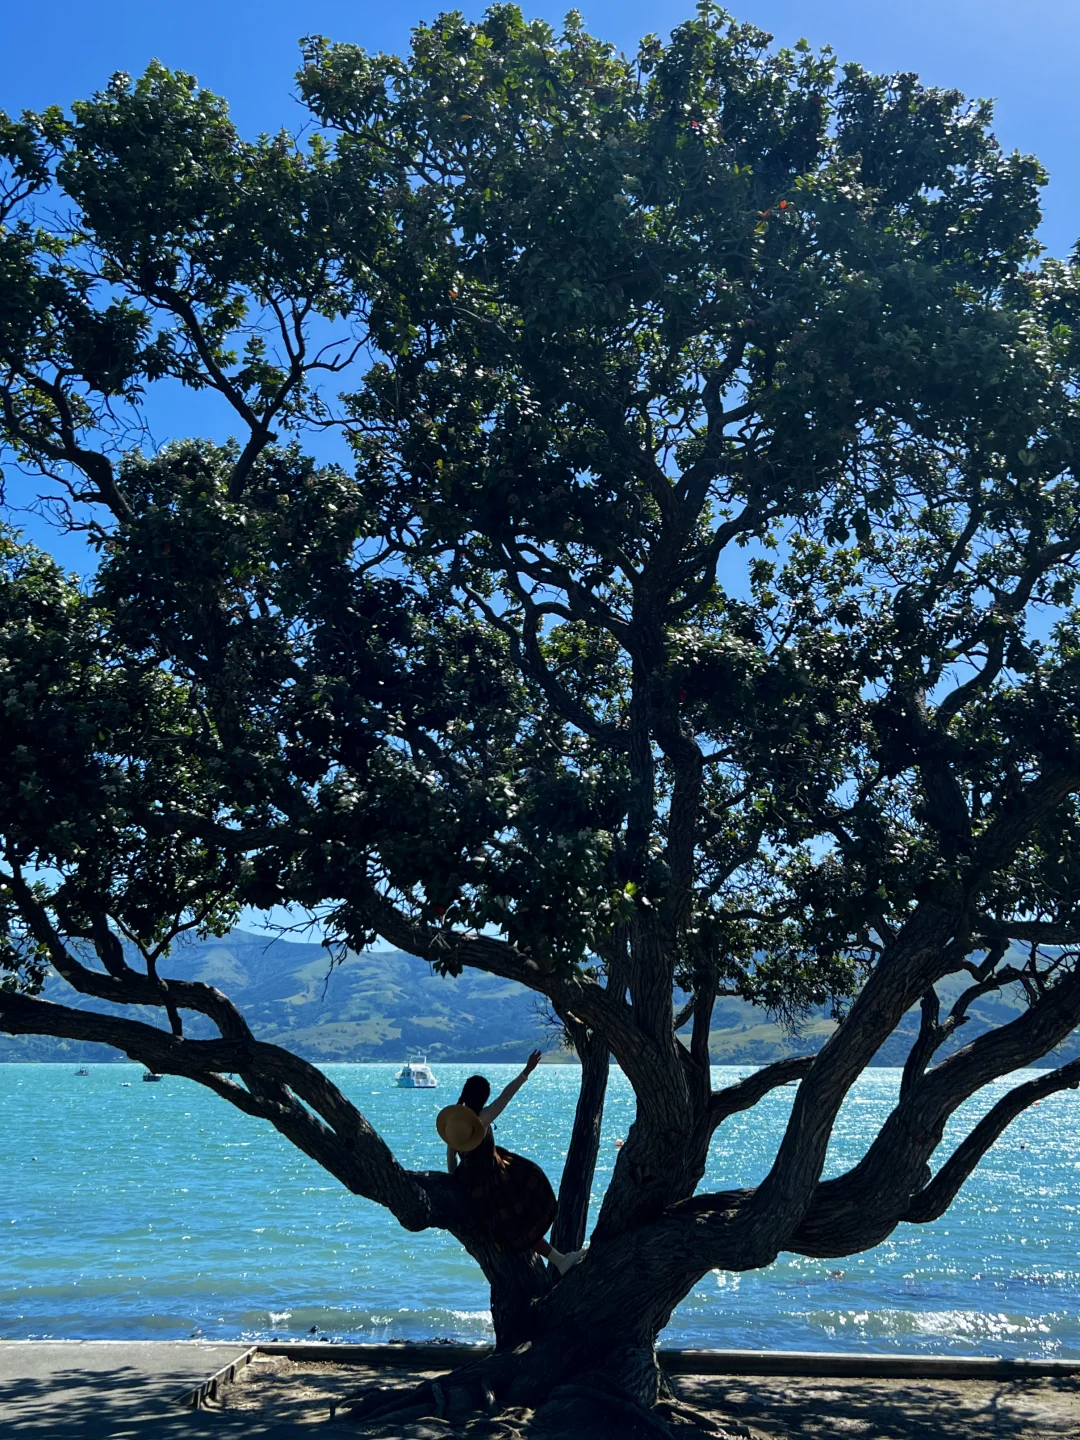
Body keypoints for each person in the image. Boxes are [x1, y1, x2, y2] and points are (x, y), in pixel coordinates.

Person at [436, 1050, 585, 1275]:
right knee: (523, 1215)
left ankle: (559, 1259)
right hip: (494, 1179)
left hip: (470, 1183)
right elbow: (506, 1095)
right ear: (482, 1097)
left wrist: (455, 1182)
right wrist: (526, 1071)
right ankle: (560, 1260)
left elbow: (450, 1158)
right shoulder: (482, 1119)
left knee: (511, 1227)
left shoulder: (456, 1124)